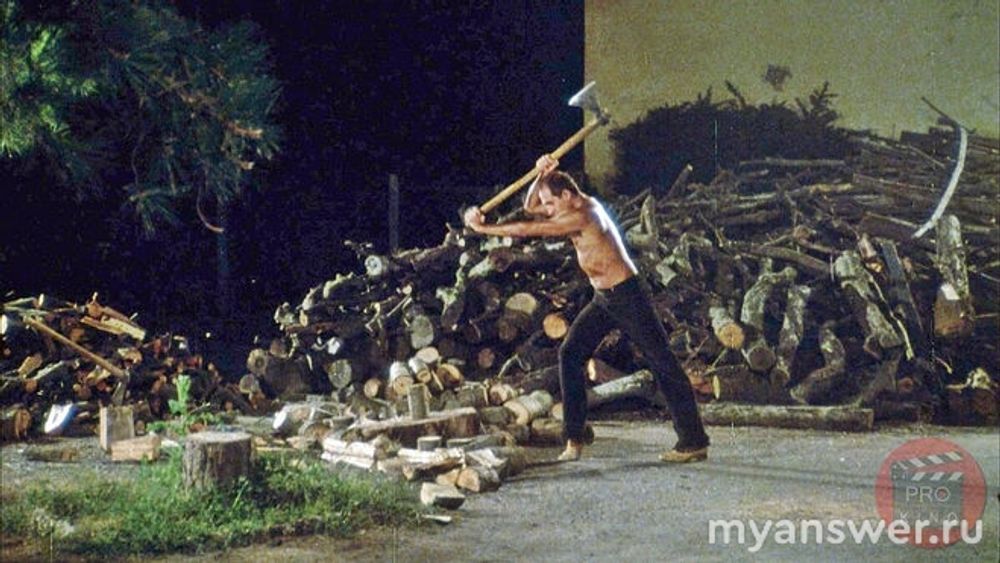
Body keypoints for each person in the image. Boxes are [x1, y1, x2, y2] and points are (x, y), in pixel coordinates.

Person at [463, 155, 711, 463]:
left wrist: (482, 228)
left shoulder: (585, 214)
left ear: (567, 195)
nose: (547, 209)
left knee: (662, 362)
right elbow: (530, 207)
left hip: (627, 295)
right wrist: (540, 175)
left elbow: (530, 227)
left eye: (551, 203)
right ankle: (574, 438)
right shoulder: (568, 205)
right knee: (570, 353)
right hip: (604, 298)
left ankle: (693, 441)